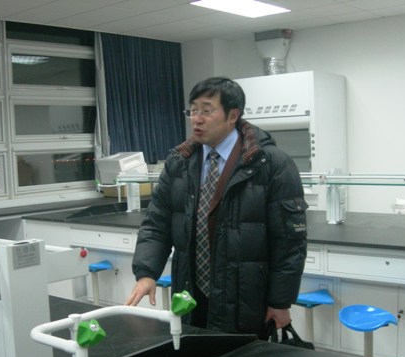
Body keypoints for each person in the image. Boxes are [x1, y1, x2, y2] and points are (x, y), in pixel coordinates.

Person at [125, 76, 308, 335]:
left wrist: (280, 301)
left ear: (233, 115)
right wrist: (146, 273)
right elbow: (157, 223)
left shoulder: (270, 164)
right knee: (193, 353)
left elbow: (289, 243)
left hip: (245, 297)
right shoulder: (180, 162)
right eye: (193, 110)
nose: (197, 119)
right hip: (190, 292)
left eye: (207, 110)